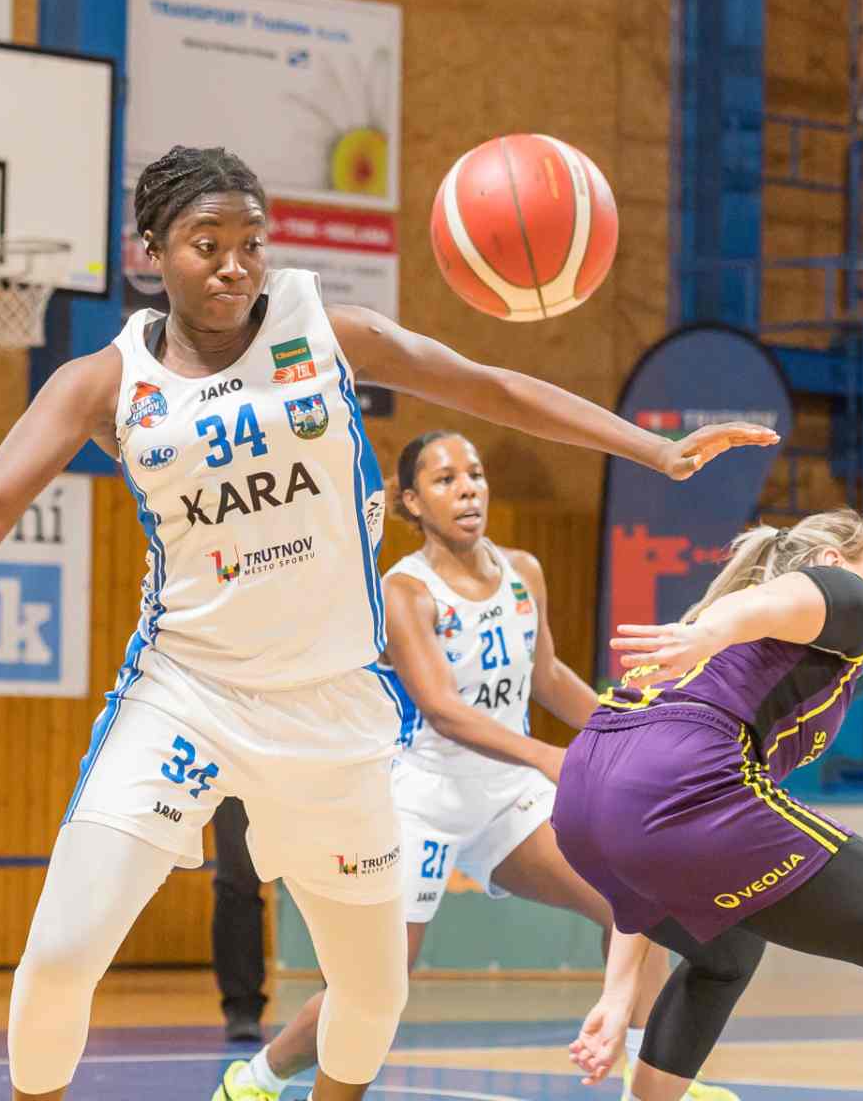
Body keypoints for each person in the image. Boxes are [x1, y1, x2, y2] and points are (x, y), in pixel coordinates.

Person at [0, 144, 776, 1101]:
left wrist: (656, 452)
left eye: (251, 243)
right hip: (185, 694)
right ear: (152, 252)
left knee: (374, 991)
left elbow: (492, 386)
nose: (235, 265)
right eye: (206, 244)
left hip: (332, 708)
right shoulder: (103, 383)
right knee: (59, 958)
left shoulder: (324, 330)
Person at [214, 431, 736, 1101]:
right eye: (445, 479)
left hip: (506, 796)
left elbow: (547, 676)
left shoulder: (524, 571)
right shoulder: (405, 590)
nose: (467, 490)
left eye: (476, 475)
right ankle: (255, 1080)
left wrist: (631, 730)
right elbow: (443, 710)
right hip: (419, 800)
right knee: (374, 988)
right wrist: (550, 756)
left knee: (631, 902)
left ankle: (652, 1082)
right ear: (412, 501)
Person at [552, 511, 863, 1101]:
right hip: (673, 781)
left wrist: (618, 995)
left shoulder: (748, 654)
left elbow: (646, 851)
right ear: (832, 564)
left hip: (586, 800)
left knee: (728, 946)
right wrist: (709, 630)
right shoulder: (837, 604)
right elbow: (781, 596)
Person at [210, 795, 267, 1043]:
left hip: (314, 772)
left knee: (332, 875)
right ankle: (242, 1009)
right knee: (237, 881)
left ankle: (338, 1000)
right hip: (236, 775)